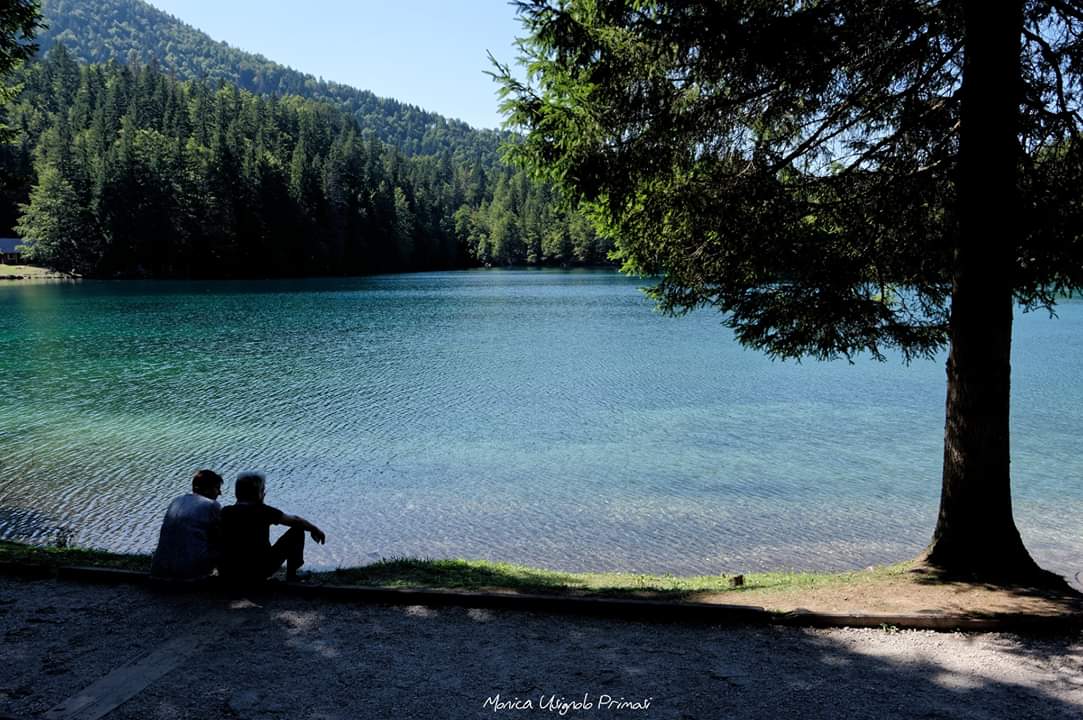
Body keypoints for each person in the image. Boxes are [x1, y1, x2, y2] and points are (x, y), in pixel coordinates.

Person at [220, 473, 326, 583]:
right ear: (259, 493)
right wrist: (315, 530)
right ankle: (292, 575)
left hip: (229, 572)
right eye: (263, 490)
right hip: (258, 572)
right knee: (297, 531)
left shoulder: (225, 512)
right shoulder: (263, 511)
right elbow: (296, 521)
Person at [150, 469, 224, 580]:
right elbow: (219, 537)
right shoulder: (211, 505)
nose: (219, 493)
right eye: (217, 488)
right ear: (207, 489)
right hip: (189, 573)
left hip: (159, 569)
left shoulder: (176, 501)